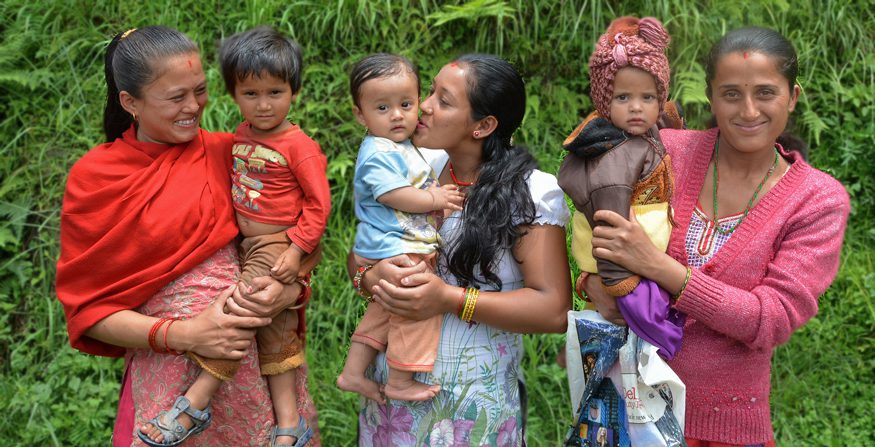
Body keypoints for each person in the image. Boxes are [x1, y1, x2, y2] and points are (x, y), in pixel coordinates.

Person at [580, 26, 850, 446]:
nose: (747, 110)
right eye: (730, 94)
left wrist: (657, 267)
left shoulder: (816, 200)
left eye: (765, 93)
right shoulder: (666, 151)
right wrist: (591, 283)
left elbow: (768, 319)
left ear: (792, 96)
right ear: (710, 97)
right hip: (625, 407)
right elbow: (585, 214)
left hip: (724, 429)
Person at [55, 26, 321, 447]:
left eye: (199, 90)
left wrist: (287, 290)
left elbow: (285, 236)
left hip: (259, 368)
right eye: (176, 97)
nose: (193, 106)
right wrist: (186, 334)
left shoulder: (231, 153)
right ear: (131, 103)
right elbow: (89, 310)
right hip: (174, 382)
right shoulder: (96, 179)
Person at [353, 54, 572, 446]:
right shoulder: (411, 167)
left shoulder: (529, 193)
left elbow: (553, 308)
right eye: (432, 90)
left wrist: (449, 299)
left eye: (444, 99)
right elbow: (365, 246)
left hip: (475, 404)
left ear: (484, 125)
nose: (424, 105)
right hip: (390, 395)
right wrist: (370, 276)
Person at [336, 53, 464, 403]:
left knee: (384, 312)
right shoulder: (379, 151)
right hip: (399, 247)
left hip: (393, 246)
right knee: (415, 311)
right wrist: (435, 199)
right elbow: (393, 194)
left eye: (406, 104)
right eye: (382, 108)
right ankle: (401, 379)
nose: (397, 115)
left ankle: (352, 372)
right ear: (360, 115)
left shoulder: (401, 146)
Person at [558, 16, 685, 359]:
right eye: (623, 98)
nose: (636, 108)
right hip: (621, 270)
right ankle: (668, 344)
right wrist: (620, 287)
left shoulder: (641, 137)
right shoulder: (616, 155)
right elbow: (611, 226)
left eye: (648, 97)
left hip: (637, 264)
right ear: (604, 102)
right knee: (654, 331)